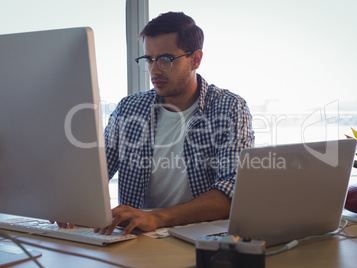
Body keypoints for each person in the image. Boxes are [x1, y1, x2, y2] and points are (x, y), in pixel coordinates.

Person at [59, 11, 254, 235]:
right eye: (149, 59)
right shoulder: (129, 109)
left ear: (196, 59)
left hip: (201, 238)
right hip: (134, 238)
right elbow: (96, 173)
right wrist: (70, 204)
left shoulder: (229, 108)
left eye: (166, 59)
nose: (154, 70)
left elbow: (233, 191)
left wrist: (157, 218)